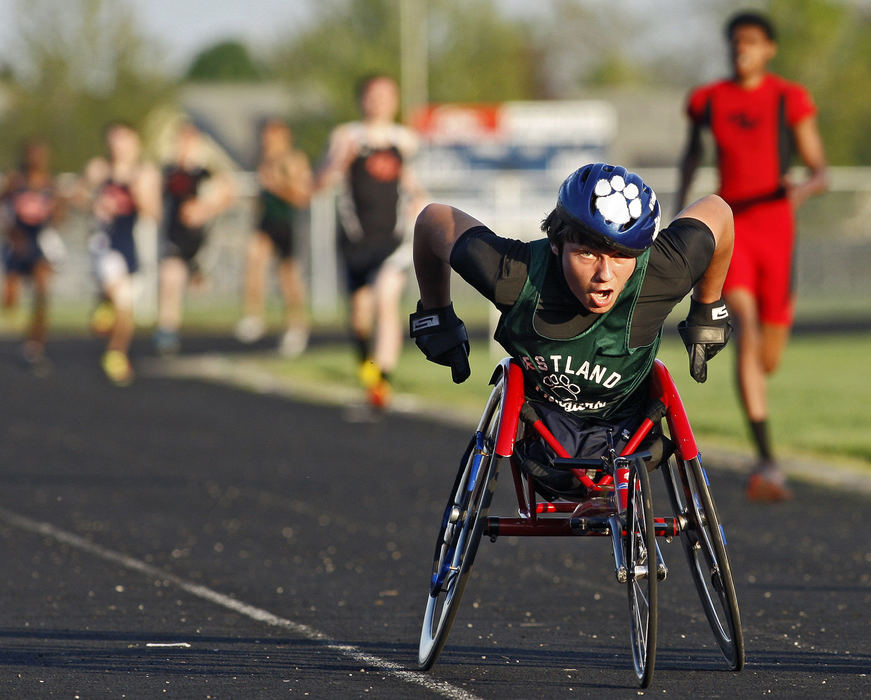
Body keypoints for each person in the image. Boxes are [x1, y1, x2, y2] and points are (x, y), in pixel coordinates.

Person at [410, 162, 733, 498]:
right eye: (587, 253)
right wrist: (437, 315)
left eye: (622, 255)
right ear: (556, 243)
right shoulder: (516, 275)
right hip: (543, 430)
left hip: (632, 429)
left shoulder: (663, 270)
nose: (605, 274)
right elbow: (433, 219)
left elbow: (719, 211)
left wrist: (707, 309)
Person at [675, 10, 828, 502]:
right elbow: (692, 155)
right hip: (731, 227)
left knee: (770, 357)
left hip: (778, 230)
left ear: (769, 49)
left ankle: (764, 445)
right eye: (736, 41)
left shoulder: (789, 98)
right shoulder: (709, 101)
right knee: (744, 325)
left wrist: (799, 191)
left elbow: (820, 170)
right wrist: (681, 204)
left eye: (752, 41)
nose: (742, 49)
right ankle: (768, 461)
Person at [315, 74, 427, 407]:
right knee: (359, 317)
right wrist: (340, 160)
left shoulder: (405, 141)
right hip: (355, 241)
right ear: (362, 99)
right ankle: (368, 367)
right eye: (373, 94)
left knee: (385, 298)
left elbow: (412, 182)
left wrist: (420, 203)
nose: (379, 101)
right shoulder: (346, 135)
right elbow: (320, 182)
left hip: (393, 242)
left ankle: (382, 382)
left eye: (386, 94)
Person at [81, 121, 161, 386]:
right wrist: (95, 202)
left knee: (125, 308)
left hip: (129, 244)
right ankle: (115, 351)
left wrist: (140, 197)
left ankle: (115, 345)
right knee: (120, 295)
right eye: (114, 140)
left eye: (124, 139)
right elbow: (74, 195)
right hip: (104, 243)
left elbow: (154, 214)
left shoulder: (144, 174)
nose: (119, 146)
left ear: (135, 141)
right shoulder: (99, 169)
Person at [155, 120, 236, 355]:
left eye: (189, 141)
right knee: (171, 277)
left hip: (201, 240)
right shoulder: (169, 171)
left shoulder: (205, 172)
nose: (185, 146)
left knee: (198, 288)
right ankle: (167, 330)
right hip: (175, 236)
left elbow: (228, 194)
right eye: (181, 140)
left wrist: (204, 209)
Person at [234, 119, 313, 357]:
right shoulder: (262, 160)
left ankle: (297, 326)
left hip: (287, 224)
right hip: (266, 223)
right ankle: (254, 315)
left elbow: (301, 196)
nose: (267, 142)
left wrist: (277, 183)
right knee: (254, 258)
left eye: (272, 137)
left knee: (288, 278)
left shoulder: (294, 160)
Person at [1, 139, 65, 374]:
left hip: (39, 243)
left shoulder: (50, 184)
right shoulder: (15, 182)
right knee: (10, 299)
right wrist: (12, 235)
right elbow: (4, 211)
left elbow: (58, 217)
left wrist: (59, 207)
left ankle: (35, 344)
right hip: (17, 244)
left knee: (42, 292)